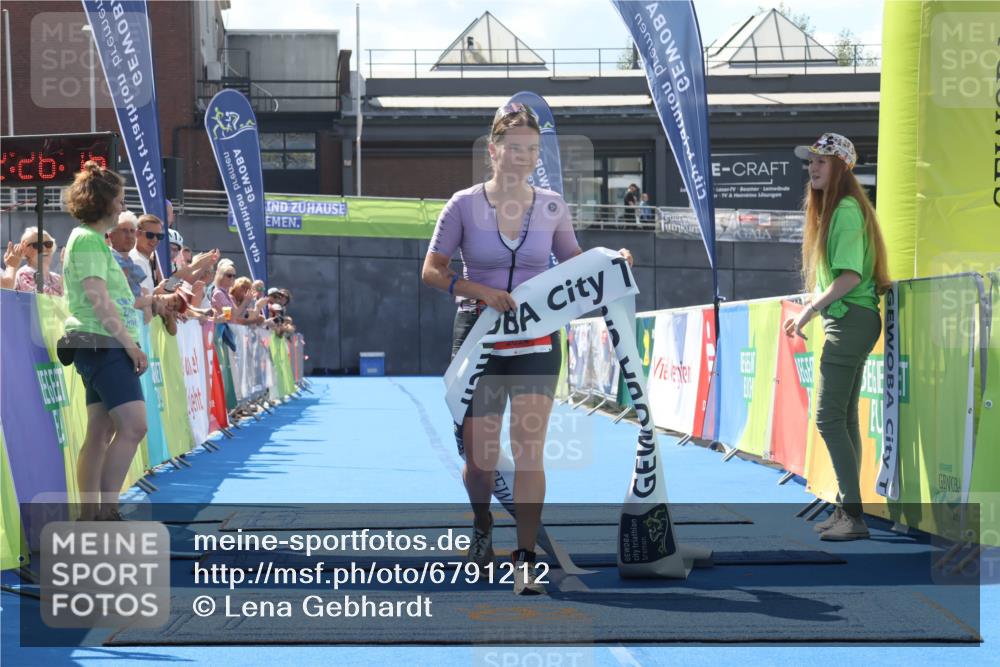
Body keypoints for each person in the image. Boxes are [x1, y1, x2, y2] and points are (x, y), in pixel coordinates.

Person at [421, 102, 633, 594]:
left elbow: (574, 266)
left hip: (538, 341)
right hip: (479, 337)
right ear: (493, 150)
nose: (522, 158)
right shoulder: (462, 204)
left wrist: (612, 263)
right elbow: (432, 272)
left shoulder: (552, 205)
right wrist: (481, 293)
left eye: (532, 150)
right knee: (481, 458)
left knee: (530, 452)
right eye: (514, 148)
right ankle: (481, 525)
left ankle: (525, 555)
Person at [59, 162, 180, 522]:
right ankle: (105, 511)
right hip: (103, 344)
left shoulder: (89, 240)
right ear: (105, 201)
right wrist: (130, 345)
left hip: (98, 344)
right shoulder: (88, 241)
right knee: (134, 426)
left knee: (100, 431)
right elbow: (99, 298)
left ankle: (91, 514)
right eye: (120, 198)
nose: (122, 205)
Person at [784, 132, 890, 542]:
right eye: (810, 161)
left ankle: (853, 515)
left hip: (849, 320)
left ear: (841, 168)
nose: (812, 167)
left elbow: (849, 276)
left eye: (822, 162)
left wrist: (810, 311)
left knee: (829, 417)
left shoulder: (844, 210)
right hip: (850, 320)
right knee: (842, 417)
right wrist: (814, 310)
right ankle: (850, 511)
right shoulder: (842, 209)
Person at [13, 227, 64, 295]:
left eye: (48, 244)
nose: (44, 248)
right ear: (25, 249)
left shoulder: (56, 277)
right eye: (37, 245)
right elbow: (47, 299)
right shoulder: (24, 274)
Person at [130, 214, 164, 293]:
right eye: (150, 235)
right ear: (137, 233)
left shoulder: (143, 260)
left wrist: (159, 289)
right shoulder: (137, 261)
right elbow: (142, 300)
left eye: (159, 236)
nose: (155, 239)